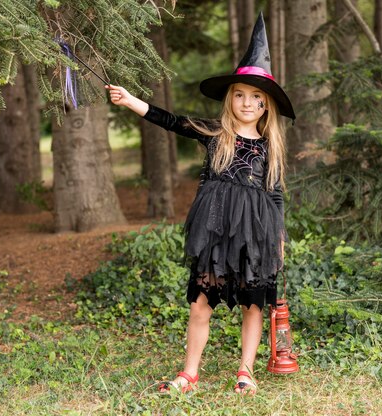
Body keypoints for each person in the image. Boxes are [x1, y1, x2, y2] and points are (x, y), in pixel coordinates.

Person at [107, 12, 295, 395]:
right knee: (200, 303)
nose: (247, 102)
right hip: (215, 228)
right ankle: (189, 374)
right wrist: (131, 102)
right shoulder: (215, 133)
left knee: (253, 306)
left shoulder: (270, 147)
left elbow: (274, 195)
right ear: (230, 99)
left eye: (255, 97)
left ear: (265, 106)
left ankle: (246, 371)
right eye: (240, 94)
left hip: (255, 232)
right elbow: (171, 121)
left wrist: (277, 237)